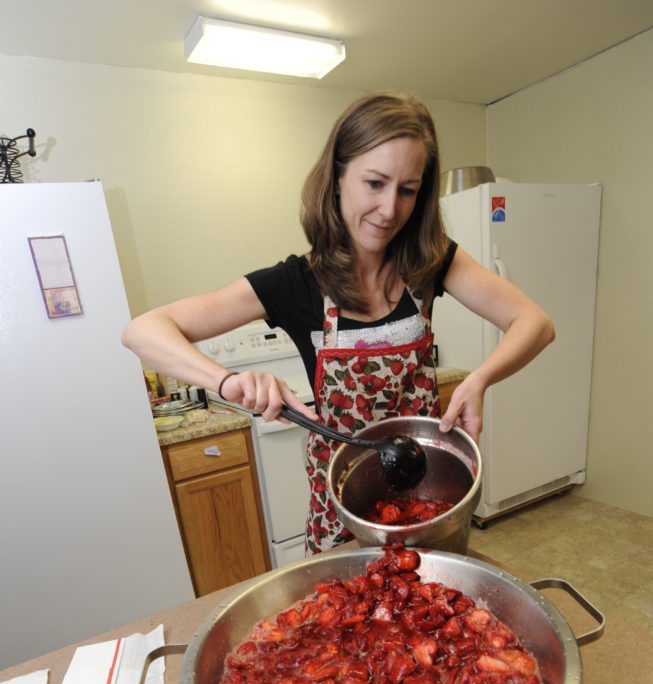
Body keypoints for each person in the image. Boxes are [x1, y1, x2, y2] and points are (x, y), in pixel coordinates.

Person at [123, 90, 554, 554]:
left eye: (407, 189)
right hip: (342, 512)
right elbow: (143, 330)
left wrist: (481, 379)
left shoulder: (431, 262)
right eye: (374, 183)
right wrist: (227, 382)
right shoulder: (295, 283)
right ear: (337, 179)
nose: (390, 209)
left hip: (426, 497)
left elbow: (535, 322)